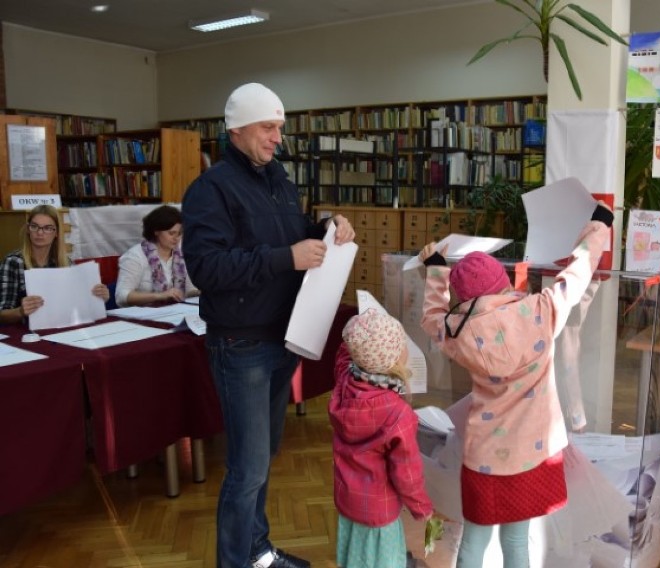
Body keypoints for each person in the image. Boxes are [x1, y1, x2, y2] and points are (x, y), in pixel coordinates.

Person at [181, 82, 355, 568]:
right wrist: (286, 258)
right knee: (248, 466)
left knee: (263, 459)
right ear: (237, 129)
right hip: (240, 344)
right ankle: (237, 562)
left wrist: (327, 225)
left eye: (280, 127)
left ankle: (257, 551)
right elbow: (207, 269)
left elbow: (293, 236)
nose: (278, 136)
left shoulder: (279, 178)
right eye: (268, 126)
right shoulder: (209, 189)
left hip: (283, 338)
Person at [417, 203, 614, 568]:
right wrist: (599, 225)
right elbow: (578, 272)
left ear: (464, 300)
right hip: (532, 455)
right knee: (517, 541)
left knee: (473, 543)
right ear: (504, 284)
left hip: (484, 459)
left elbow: (432, 318)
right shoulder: (542, 310)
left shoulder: (459, 331)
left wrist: (436, 271)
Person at [328, 309, 433, 568]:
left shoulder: (345, 382)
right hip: (380, 512)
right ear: (395, 359)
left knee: (356, 558)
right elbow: (407, 473)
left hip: (348, 501)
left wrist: (361, 330)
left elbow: (344, 355)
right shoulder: (398, 415)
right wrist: (422, 508)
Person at [0, 204, 109, 325]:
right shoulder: (14, 262)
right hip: (24, 334)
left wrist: (98, 297)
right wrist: (20, 311)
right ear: (27, 229)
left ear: (56, 232)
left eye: (47, 228)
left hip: (61, 329)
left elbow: (78, 305)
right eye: (34, 226)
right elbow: (2, 314)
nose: (40, 232)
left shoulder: (66, 263)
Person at [115, 204, 199, 307]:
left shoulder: (182, 255)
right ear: (156, 231)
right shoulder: (135, 256)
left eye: (180, 233)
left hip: (175, 313)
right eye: (171, 233)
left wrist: (203, 291)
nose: (176, 238)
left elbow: (189, 291)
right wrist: (159, 296)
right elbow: (121, 296)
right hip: (143, 315)